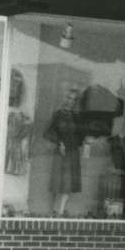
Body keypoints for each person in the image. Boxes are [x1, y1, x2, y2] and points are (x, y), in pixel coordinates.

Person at [44, 86, 83, 216]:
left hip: (73, 152)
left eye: (74, 99)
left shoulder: (77, 117)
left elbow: (80, 135)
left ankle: (60, 211)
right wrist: (59, 142)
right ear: (65, 99)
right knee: (58, 182)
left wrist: (86, 140)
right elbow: (47, 132)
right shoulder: (57, 115)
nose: (71, 101)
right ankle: (53, 211)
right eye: (69, 98)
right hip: (61, 152)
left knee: (68, 184)